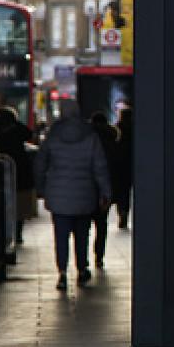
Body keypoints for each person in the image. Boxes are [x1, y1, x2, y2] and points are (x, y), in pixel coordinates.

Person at [34, 99, 112, 290]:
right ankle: (82, 269)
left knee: (60, 236)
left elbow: (40, 164)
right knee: (82, 234)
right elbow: (100, 167)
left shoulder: (52, 135)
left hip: (58, 194)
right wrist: (106, 192)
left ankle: (61, 273)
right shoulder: (90, 135)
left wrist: (41, 188)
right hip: (85, 194)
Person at [0, 106, 35, 244]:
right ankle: (18, 233)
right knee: (20, 204)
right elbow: (29, 134)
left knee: (5, 203)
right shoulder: (18, 131)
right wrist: (16, 123)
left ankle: (7, 231)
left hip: (3, 172)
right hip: (22, 172)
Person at [89, 110, 119, 268]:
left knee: (83, 225)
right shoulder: (112, 140)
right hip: (105, 189)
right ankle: (99, 255)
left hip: (86, 189)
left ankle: (82, 261)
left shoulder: (85, 141)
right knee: (101, 224)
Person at [109, 107, 133, 230]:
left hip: (120, 166)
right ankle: (125, 213)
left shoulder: (117, 129)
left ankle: (122, 213)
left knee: (122, 192)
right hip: (132, 165)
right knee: (127, 192)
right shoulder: (136, 129)